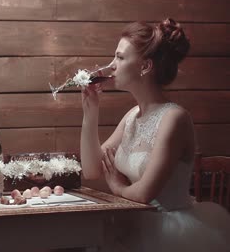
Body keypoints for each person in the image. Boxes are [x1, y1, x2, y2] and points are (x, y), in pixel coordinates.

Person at [80, 18, 230, 251]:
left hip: (169, 232)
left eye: (120, 57)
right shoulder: (132, 116)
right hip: (130, 224)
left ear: (145, 66)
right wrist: (91, 112)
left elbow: (144, 193)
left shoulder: (174, 118)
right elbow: (91, 170)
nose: (111, 66)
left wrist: (116, 187)